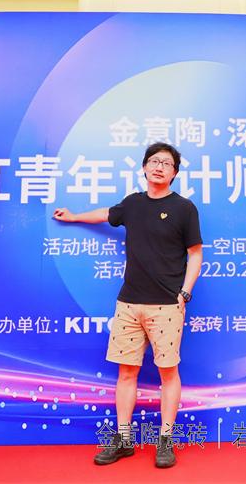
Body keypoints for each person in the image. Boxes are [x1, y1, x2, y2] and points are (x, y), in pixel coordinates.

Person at [53, 142, 202, 468]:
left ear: (175, 173)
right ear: (144, 167)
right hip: (129, 304)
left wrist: (184, 293)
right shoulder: (133, 203)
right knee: (126, 373)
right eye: (154, 161)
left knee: (168, 373)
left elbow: (195, 253)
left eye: (166, 163)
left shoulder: (184, 208)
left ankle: (165, 441)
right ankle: (123, 440)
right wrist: (75, 217)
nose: (159, 167)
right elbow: (106, 214)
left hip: (167, 306)